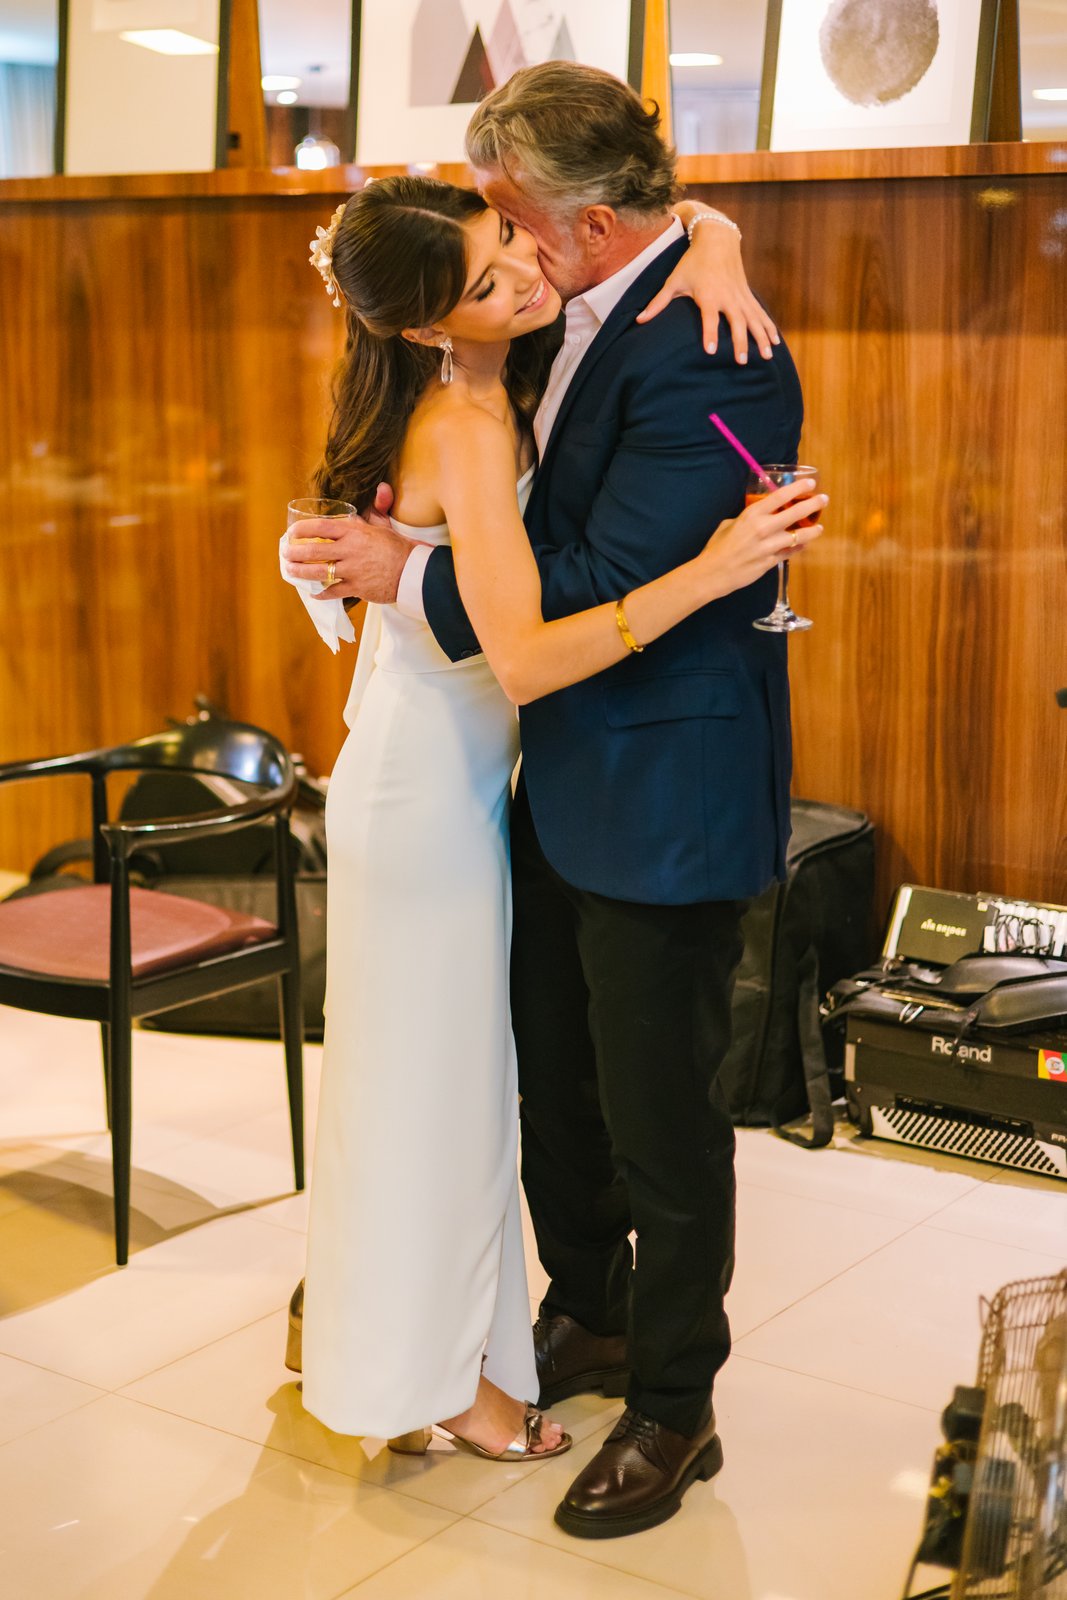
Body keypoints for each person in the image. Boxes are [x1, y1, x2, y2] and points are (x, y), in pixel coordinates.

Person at [285, 61, 822, 1535]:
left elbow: (583, 588)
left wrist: (409, 575)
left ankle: (675, 1403)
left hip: (663, 782)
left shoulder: (716, 348)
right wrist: (709, 222)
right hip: (531, 784)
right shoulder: (539, 315)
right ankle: (587, 1309)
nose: (507, 241)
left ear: (584, 224)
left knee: (663, 1117)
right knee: (555, 1089)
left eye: (516, 216)